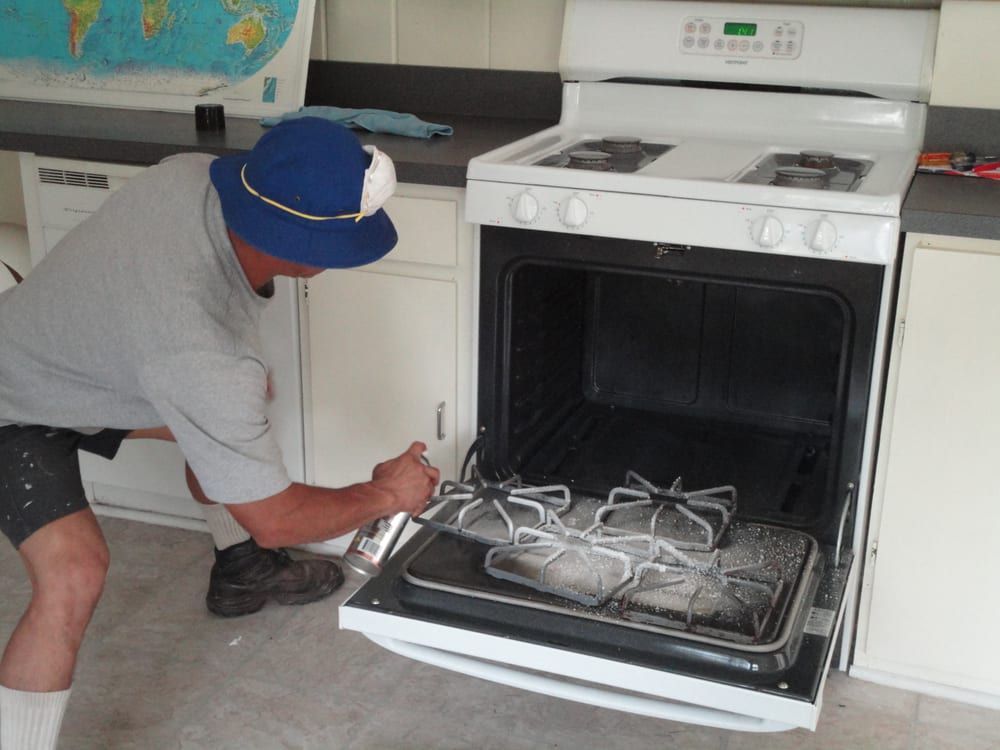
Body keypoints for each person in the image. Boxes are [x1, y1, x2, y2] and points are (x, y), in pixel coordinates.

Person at [0, 117, 440, 749]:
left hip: (72, 359)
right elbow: (278, 518)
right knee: (73, 576)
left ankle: (240, 572)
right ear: (303, 252)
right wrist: (385, 497)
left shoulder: (190, 176)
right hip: (14, 403)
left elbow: (194, 369)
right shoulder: (201, 357)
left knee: (239, 414)